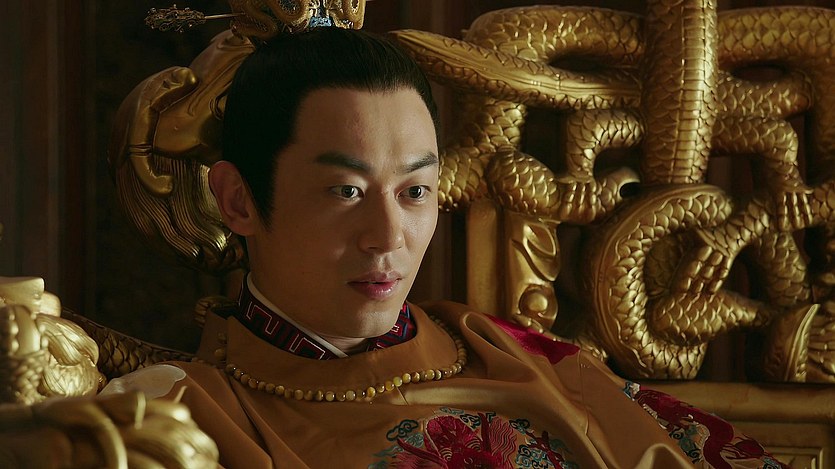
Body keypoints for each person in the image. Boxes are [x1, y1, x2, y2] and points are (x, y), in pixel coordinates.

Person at [104, 26, 787, 469]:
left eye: (415, 192)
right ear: (238, 200)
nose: (387, 237)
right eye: (345, 191)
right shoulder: (172, 419)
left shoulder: (525, 363)